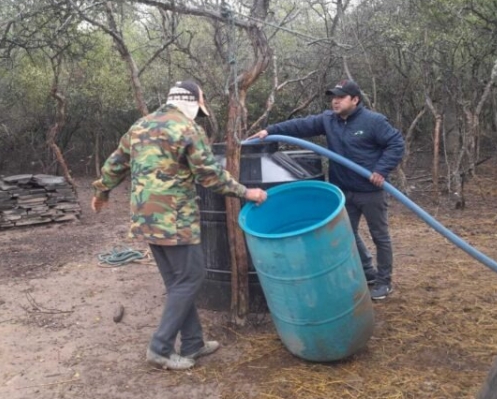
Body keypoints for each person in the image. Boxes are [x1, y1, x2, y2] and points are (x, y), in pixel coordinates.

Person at [91, 80, 268, 370]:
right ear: (192, 102)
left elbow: (115, 163)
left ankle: (193, 342)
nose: (198, 116)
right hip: (173, 219)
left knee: (178, 282)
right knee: (191, 278)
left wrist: (101, 192)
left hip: (145, 218)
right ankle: (160, 348)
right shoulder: (187, 129)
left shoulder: (140, 125)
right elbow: (209, 175)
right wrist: (246, 192)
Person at [249, 79, 405, 300]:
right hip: (343, 190)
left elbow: (396, 143)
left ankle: (384, 282)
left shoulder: (373, 121)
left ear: (355, 99)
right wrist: (269, 130)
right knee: (346, 233)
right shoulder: (328, 120)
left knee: (379, 236)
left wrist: (381, 170)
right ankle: (368, 271)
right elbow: (299, 126)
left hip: (370, 191)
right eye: (333, 97)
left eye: (340, 97)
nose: (335, 101)